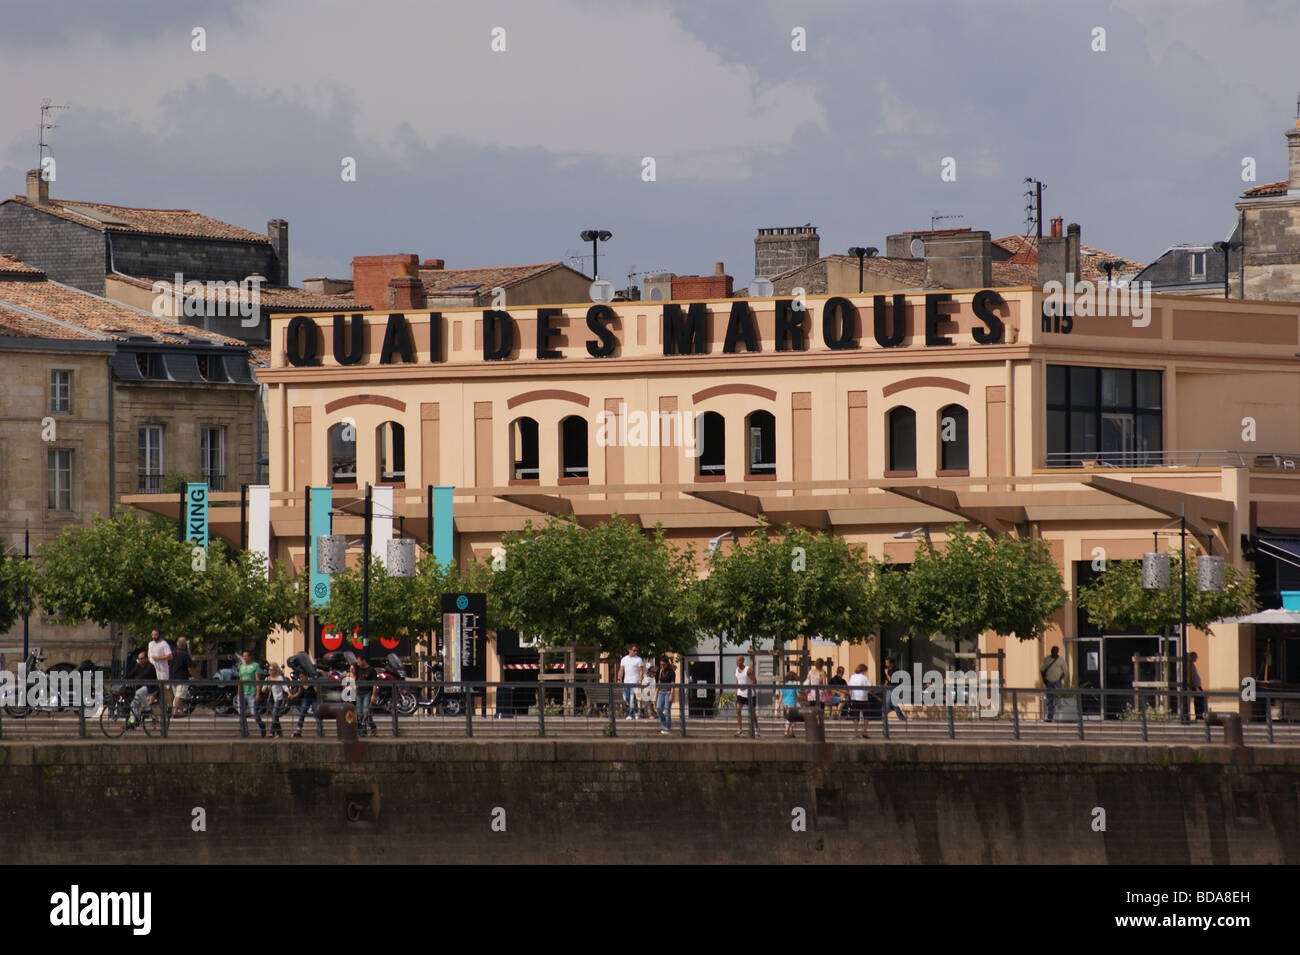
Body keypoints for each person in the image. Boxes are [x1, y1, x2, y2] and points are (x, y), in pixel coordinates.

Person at [236, 650, 266, 737]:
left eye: (246, 656)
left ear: (250, 657)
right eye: (243, 656)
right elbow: (240, 680)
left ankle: (262, 726)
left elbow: (257, 680)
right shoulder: (241, 666)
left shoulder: (255, 666)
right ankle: (245, 732)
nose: (245, 658)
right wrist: (238, 693)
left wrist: (258, 693)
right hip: (243, 692)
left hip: (251, 692)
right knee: (241, 713)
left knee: (254, 712)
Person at [123, 650, 156, 726]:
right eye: (139, 659)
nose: (140, 661)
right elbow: (131, 674)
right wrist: (123, 679)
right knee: (133, 704)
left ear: (146, 659)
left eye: (141, 659)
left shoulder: (150, 666)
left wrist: (134, 682)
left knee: (139, 693)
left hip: (151, 687)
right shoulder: (137, 666)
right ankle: (132, 722)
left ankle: (148, 709)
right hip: (142, 687)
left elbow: (144, 676)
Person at [147, 629, 173, 711]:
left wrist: (159, 658)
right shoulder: (150, 644)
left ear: (159, 635)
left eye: (155, 635)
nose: (154, 637)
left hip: (162, 671)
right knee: (152, 689)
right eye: (153, 635)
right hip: (153, 670)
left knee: (164, 689)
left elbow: (170, 656)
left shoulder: (163, 644)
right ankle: (148, 707)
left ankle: (169, 707)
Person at [289, 664, 317, 737]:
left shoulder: (311, 681)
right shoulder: (301, 683)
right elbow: (299, 692)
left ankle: (320, 729)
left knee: (316, 712)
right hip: (306, 698)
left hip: (313, 698)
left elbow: (316, 691)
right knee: (303, 711)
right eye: (300, 677)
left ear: (306, 676)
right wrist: (292, 696)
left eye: (302, 676)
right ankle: (299, 729)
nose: (301, 678)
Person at [170, 637, 196, 716]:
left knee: (177, 696)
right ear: (185, 646)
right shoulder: (185, 655)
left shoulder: (172, 654)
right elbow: (190, 668)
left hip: (172, 678)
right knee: (179, 696)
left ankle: (181, 712)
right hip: (182, 678)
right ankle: (174, 712)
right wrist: (196, 676)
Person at [618, 645, 645, 720]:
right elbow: (621, 670)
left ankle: (630, 714)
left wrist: (640, 681)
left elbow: (640, 671)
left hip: (634, 682)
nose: (635, 652)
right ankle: (636, 710)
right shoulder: (624, 659)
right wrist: (619, 679)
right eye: (634, 650)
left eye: (636, 650)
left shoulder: (638, 659)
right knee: (626, 698)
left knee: (632, 698)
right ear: (629, 650)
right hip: (626, 682)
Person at [734, 654, 758, 737]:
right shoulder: (736, 670)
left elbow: (754, 681)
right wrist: (736, 689)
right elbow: (738, 679)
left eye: (739, 661)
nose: (738, 662)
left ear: (743, 661)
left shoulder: (748, 670)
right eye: (737, 661)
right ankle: (740, 729)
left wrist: (747, 687)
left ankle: (756, 729)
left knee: (752, 713)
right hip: (740, 694)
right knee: (738, 710)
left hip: (749, 694)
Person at [1040, 645, 1066, 722]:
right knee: (1049, 701)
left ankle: (1059, 717)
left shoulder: (1061, 660)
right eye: (1052, 650)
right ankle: (1050, 717)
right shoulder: (1046, 660)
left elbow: (1065, 671)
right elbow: (1042, 670)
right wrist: (1044, 679)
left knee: (1059, 700)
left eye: (1055, 650)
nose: (1053, 652)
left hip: (1057, 683)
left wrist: (1059, 679)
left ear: (1057, 651)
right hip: (1049, 682)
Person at [355, 656, 378, 736]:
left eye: (358, 662)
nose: (357, 664)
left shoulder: (371, 670)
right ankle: (371, 727)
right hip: (359, 693)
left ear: (363, 661)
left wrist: (373, 695)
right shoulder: (358, 670)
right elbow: (357, 681)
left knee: (365, 712)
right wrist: (355, 692)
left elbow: (375, 683)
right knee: (359, 713)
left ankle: (363, 731)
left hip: (367, 692)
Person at [848, 663, 872, 738]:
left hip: (854, 698)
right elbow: (869, 687)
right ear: (863, 670)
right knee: (866, 715)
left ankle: (856, 732)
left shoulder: (852, 677)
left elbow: (850, 688)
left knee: (855, 716)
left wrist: (851, 697)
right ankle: (864, 732)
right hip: (863, 698)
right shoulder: (864, 677)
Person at [264, 663, 288, 738]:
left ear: (275, 670)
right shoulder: (267, 678)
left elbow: (284, 687)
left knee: (274, 714)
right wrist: (264, 688)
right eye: (269, 670)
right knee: (275, 716)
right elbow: (263, 688)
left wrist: (289, 693)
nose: (270, 671)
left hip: (278, 698)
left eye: (272, 670)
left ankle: (271, 732)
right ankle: (279, 733)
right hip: (270, 699)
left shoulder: (279, 678)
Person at [881, 656, 908, 722]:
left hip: (893, 688)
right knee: (894, 704)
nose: (886, 664)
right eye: (886, 662)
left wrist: (886, 673)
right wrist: (884, 686)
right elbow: (887, 680)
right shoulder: (888, 670)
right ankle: (902, 718)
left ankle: (882, 717)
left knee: (887, 703)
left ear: (891, 663)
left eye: (887, 663)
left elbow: (891, 679)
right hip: (888, 688)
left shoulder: (895, 670)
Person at [655, 656, 675, 734]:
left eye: (664, 664)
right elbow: (659, 682)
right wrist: (656, 693)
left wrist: (671, 695)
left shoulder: (671, 672)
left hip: (668, 692)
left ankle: (667, 727)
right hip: (661, 692)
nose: (662, 666)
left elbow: (673, 684)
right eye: (661, 665)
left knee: (667, 710)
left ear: (667, 664)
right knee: (658, 709)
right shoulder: (660, 671)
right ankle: (664, 725)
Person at [780, 670, 800, 737]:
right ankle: (786, 731)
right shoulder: (794, 686)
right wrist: (804, 697)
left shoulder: (784, 686)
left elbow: (781, 695)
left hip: (785, 703)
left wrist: (779, 705)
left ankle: (791, 732)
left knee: (789, 717)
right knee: (791, 718)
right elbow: (798, 695)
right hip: (792, 703)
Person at [1189, 651, 1205, 720]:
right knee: (1199, 701)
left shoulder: (1192, 665)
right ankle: (1199, 716)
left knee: (1200, 700)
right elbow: (1192, 677)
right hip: (1196, 686)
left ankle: (1199, 715)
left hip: (1197, 685)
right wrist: (1196, 687)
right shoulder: (1191, 665)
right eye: (1195, 656)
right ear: (1192, 657)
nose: (1197, 658)